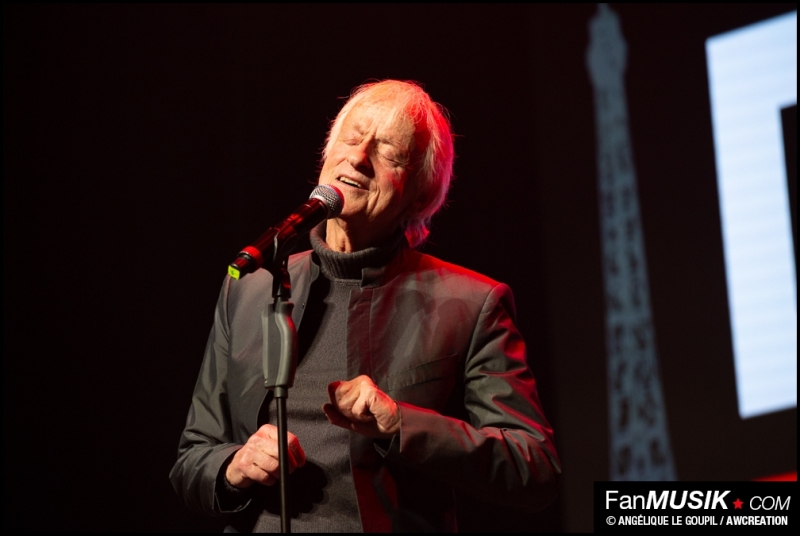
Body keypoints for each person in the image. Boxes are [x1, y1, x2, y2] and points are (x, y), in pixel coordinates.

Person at [170, 80, 560, 532]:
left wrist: (401, 424)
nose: (357, 158)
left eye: (388, 152)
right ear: (326, 156)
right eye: (351, 140)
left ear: (420, 191)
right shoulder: (250, 288)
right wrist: (232, 467)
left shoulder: (470, 303)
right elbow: (192, 456)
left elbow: (535, 468)